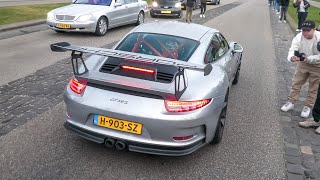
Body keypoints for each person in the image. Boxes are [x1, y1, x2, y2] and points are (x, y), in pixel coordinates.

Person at [281, 20, 320, 118]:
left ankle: (308, 106)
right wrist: (292, 57)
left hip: (317, 65)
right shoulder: (299, 37)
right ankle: (291, 101)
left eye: (308, 30)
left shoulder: (318, 37)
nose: (305, 33)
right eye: (304, 30)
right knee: (296, 82)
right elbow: (293, 49)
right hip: (303, 63)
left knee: (313, 87)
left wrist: (309, 58)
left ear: (314, 29)